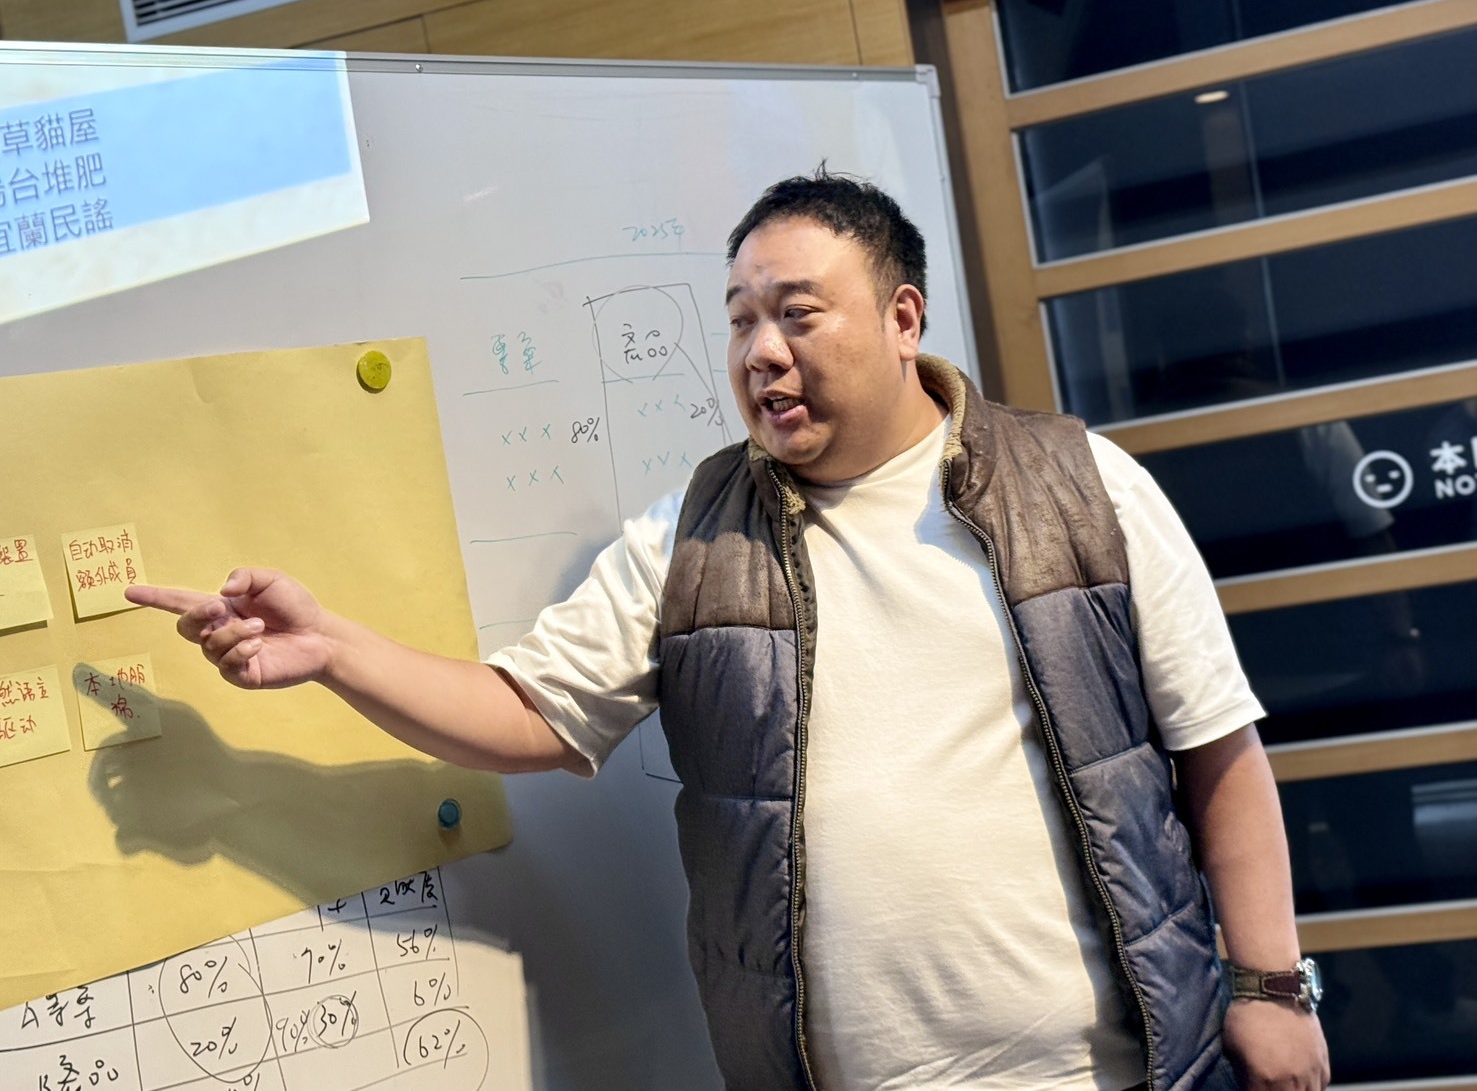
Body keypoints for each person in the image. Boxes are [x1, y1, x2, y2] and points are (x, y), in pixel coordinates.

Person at [128, 171, 1330, 1091]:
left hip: (1110, 1070)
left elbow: (1216, 749)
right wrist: (335, 650)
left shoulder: (1078, 486)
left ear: (902, 317)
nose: (761, 353)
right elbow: (529, 713)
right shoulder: (692, 537)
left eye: (797, 315)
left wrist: (1270, 983)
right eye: (741, 320)